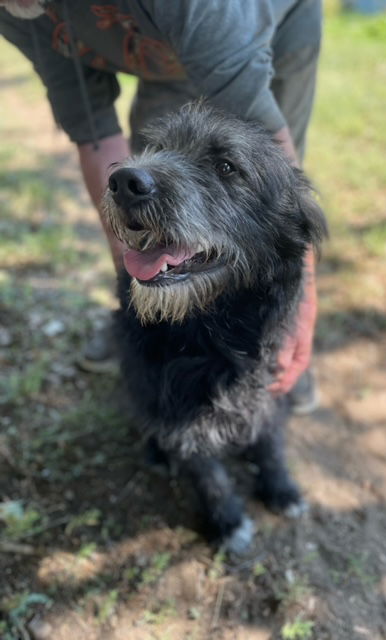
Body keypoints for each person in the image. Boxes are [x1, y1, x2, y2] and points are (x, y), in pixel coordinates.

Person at [0, 0, 322, 412]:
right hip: (158, 43)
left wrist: (300, 308)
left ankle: (279, 340)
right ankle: (156, 325)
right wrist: (134, 283)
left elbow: (282, 199)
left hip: (272, 17)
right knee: (158, 164)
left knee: (260, 185)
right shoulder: (17, 9)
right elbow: (94, 132)